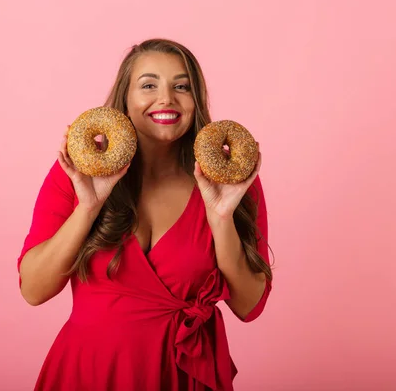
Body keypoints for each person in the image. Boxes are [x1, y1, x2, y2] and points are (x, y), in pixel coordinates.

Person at [16, 38, 273, 391]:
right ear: (125, 98)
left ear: (196, 101)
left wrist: (220, 218)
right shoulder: (76, 174)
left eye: (181, 86)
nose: (166, 98)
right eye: (149, 85)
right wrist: (88, 208)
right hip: (90, 371)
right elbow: (33, 290)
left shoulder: (232, 184)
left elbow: (249, 306)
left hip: (182, 376)